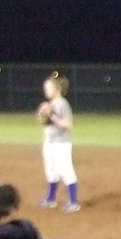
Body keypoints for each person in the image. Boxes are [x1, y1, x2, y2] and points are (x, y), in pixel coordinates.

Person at [38, 71, 80, 212]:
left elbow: (68, 125)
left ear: (56, 89)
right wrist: (43, 115)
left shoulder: (63, 104)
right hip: (49, 143)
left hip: (61, 144)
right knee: (51, 171)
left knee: (66, 170)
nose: (46, 91)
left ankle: (74, 202)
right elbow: (45, 122)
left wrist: (52, 115)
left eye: (48, 89)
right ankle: (50, 199)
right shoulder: (50, 104)